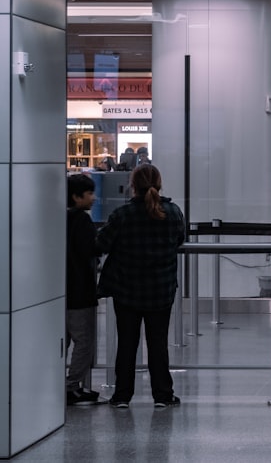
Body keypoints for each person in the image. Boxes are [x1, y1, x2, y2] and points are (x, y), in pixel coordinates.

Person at [96, 164, 186, 408]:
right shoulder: (173, 212)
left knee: (127, 343)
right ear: (159, 183)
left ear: (132, 186)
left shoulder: (122, 215)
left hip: (127, 289)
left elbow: (102, 243)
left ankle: (122, 396)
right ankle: (163, 395)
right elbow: (180, 239)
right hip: (161, 289)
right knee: (158, 343)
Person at [66, 174, 103, 406]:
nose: (94, 198)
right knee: (84, 341)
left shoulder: (60, 218)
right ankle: (71, 387)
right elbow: (93, 249)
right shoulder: (82, 221)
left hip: (60, 291)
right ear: (76, 196)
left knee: (64, 340)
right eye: (89, 194)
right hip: (80, 291)